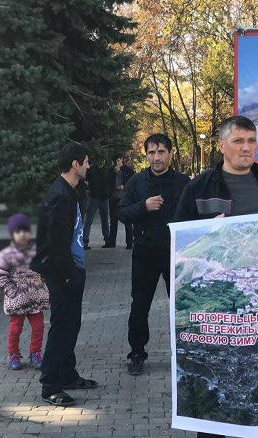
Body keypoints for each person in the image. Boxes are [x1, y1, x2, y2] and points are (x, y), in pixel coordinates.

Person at [173, 116, 258, 438]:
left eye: (251, 141)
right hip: (217, 306)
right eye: (238, 141)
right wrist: (208, 232)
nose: (246, 147)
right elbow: (178, 241)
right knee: (217, 383)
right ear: (222, 145)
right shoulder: (199, 188)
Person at [31, 142, 98, 407]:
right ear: (75, 164)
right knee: (62, 328)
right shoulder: (60, 196)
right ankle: (50, 385)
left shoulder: (70, 190)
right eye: (86, 161)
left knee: (72, 325)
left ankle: (68, 375)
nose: (89, 166)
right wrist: (69, 274)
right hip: (63, 273)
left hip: (71, 269)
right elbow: (55, 244)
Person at [119, 134, 189, 375]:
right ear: (146, 155)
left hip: (176, 254)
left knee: (181, 305)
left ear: (170, 153)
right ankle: (137, 353)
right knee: (139, 305)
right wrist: (143, 206)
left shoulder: (183, 182)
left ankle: (185, 351)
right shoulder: (136, 182)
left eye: (161, 152)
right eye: (151, 153)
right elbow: (122, 213)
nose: (156, 157)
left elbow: (195, 213)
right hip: (145, 253)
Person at [0, 213, 49, 370]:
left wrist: (43, 281)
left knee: (38, 327)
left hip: (36, 297)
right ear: (12, 234)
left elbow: (44, 267)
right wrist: (13, 292)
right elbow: (0, 275)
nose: (23, 235)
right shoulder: (7, 254)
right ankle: (13, 354)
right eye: (18, 232)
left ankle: (35, 353)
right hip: (17, 298)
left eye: (26, 231)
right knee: (15, 328)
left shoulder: (36, 251)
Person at [107, 154, 135, 248]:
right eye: (118, 160)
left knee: (127, 220)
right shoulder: (111, 170)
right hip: (114, 197)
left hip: (124, 198)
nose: (120, 162)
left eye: (120, 160)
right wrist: (115, 172)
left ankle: (129, 242)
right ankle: (112, 242)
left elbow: (132, 180)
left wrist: (124, 185)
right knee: (113, 220)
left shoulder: (127, 170)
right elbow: (108, 182)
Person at [83, 158, 111, 249]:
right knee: (89, 220)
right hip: (94, 197)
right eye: (101, 159)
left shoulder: (107, 169)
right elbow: (85, 179)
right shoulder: (91, 169)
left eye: (103, 159)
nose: (102, 161)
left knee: (105, 220)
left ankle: (107, 240)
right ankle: (85, 241)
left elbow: (109, 182)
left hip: (104, 197)